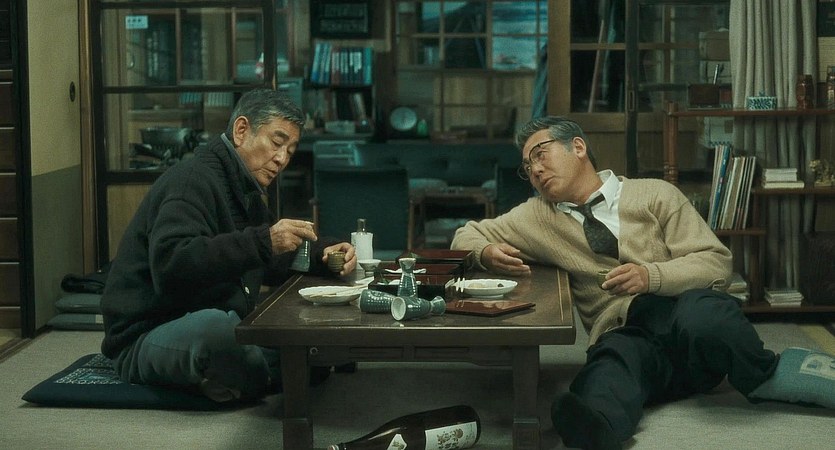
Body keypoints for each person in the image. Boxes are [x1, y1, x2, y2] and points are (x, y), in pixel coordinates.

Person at [451, 116, 833, 449]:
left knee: (705, 314)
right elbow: (464, 235)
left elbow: (715, 262)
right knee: (612, 361)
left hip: (692, 329)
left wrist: (651, 276)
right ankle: (597, 426)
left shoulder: (655, 194)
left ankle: (762, 374)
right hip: (630, 334)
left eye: (540, 154)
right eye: (527, 166)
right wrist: (485, 253)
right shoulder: (537, 216)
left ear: (578, 147)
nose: (534, 170)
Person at [100, 88, 356, 403]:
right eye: (276, 143)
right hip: (148, 333)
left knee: (298, 336)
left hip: (213, 321)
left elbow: (272, 260)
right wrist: (263, 241)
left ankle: (245, 375)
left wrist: (323, 253)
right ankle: (269, 372)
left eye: (290, 151)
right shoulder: (191, 180)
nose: (281, 159)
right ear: (241, 130)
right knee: (219, 332)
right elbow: (171, 266)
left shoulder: (242, 187)